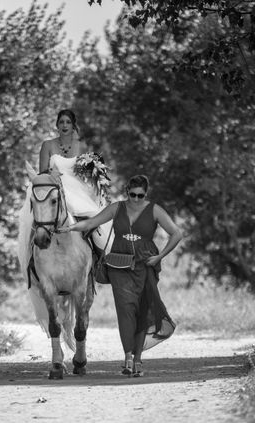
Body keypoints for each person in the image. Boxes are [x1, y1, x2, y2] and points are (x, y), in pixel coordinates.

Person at [60, 175, 182, 377]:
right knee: (125, 311)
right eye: (132, 195)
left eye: (140, 196)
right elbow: (92, 222)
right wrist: (71, 227)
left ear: (145, 193)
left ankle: (138, 359)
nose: (135, 199)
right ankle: (127, 357)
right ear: (127, 192)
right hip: (120, 265)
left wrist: (161, 255)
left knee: (142, 312)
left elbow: (177, 233)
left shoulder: (155, 210)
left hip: (146, 265)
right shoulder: (117, 208)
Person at [17, 109, 111, 338]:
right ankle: (32, 262)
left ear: (73, 124)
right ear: (57, 125)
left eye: (68, 122)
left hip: (78, 191)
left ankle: (99, 264)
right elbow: (41, 174)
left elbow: (91, 175)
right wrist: (53, 177)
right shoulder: (48, 145)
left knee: (98, 224)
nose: (64, 125)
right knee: (33, 220)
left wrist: (94, 180)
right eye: (61, 122)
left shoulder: (83, 144)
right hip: (52, 189)